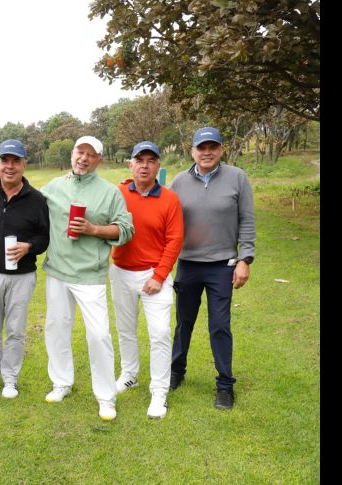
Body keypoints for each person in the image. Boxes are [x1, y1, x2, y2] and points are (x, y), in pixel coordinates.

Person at [39, 135, 134, 421]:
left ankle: (106, 397)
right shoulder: (55, 186)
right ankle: (61, 383)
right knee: (56, 328)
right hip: (57, 271)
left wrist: (93, 229)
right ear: (72, 155)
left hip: (89, 275)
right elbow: (26, 200)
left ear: (98, 160)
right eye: (80, 152)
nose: (84, 158)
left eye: (90, 155)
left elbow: (125, 229)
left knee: (99, 335)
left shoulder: (109, 192)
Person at [168, 127, 255, 410]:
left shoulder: (237, 178)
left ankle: (225, 385)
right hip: (188, 265)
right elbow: (163, 214)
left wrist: (245, 258)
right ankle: (176, 372)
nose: (207, 152)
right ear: (192, 151)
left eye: (212, 147)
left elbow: (247, 220)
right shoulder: (179, 181)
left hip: (222, 266)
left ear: (221, 150)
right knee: (184, 324)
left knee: (219, 326)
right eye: (201, 147)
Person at [109, 141, 183, 419]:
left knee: (160, 333)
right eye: (139, 160)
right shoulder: (117, 193)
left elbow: (174, 240)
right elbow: (90, 201)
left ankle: (159, 392)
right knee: (125, 329)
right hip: (121, 271)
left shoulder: (169, 198)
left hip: (154, 274)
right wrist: (72, 177)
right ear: (130, 165)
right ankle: (130, 375)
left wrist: (159, 276)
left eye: (151, 160)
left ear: (158, 167)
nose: (144, 165)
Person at [0, 140, 49, 399]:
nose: (10, 166)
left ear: (25, 164)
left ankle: (11, 379)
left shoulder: (36, 199)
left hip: (22, 276)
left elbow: (44, 237)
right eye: (5, 161)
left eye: (16, 161)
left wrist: (29, 247)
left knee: (15, 330)